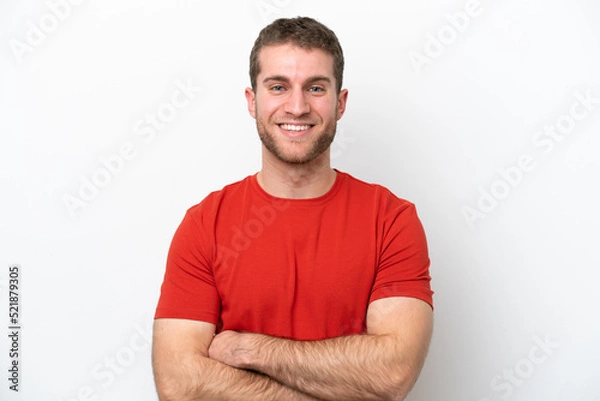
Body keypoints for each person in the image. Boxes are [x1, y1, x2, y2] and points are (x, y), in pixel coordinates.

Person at [152, 16, 434, 401]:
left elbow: (392, 375)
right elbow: (179, 384)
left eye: (315, 87)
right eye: (278, 87)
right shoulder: (205, 224)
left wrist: (245, 349)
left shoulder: (391, 220)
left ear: (341, 102)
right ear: (253, 101)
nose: (297, 106)